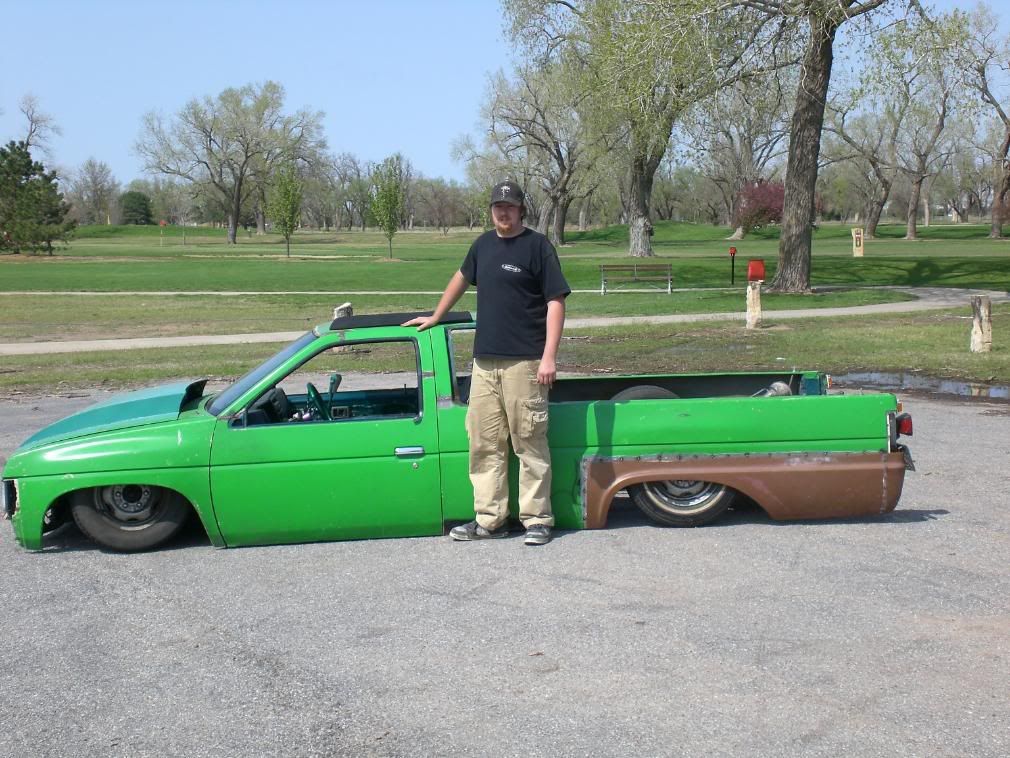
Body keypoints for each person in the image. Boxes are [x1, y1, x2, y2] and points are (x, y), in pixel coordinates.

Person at [402, 181, 570, 545]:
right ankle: (490, 520)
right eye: (497, 206)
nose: (503, 212)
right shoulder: (483, 245)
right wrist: (435, 315)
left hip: (525, 363)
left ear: (521, 209)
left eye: (509, 206)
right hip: (484, 363)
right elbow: (460, 279)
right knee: (484, 443)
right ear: (491, 209)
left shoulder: (537, 247)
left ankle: (537, 520)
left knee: (529, 442)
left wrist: (549, 357)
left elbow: (556, 302)